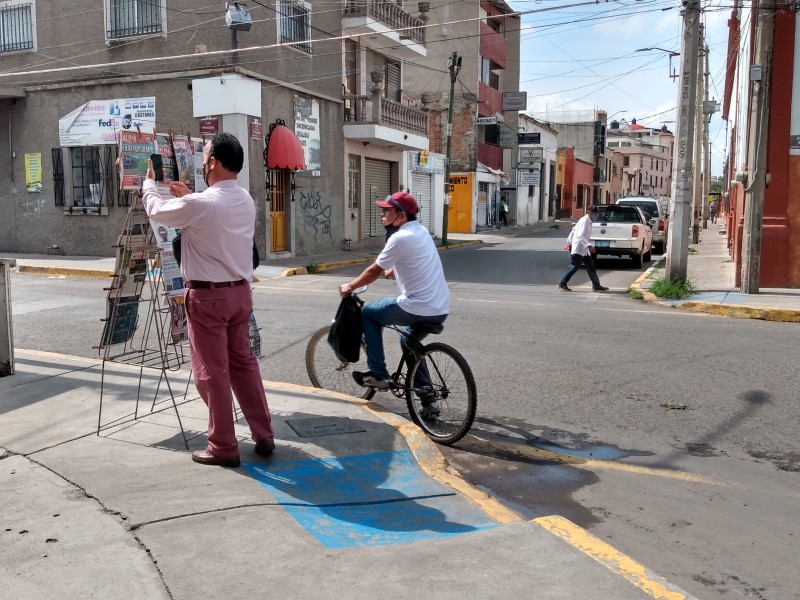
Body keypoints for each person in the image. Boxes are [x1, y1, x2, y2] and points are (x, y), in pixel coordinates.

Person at [141, 132, 275, 468]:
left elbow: (157, 210)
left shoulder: (201, 204)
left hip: (208, 297)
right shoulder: (244, 199)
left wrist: (148, 184)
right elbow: (209, 215)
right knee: (243, 364)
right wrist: (190, 196)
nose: (202, 160)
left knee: (212, 372)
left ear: (213, 161)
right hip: (240, 294)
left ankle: (223, 446)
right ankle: (263, 432)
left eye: (204, 155)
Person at [339, 191, 449, 390]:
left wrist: (351, 286)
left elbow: (373, 270)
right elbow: (415, 262)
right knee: (408, 341)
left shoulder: (400, 238)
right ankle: (427, 397)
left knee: (368, 315)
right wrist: (393, 271)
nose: (382, 214)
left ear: (401, 215)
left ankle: (378, 375)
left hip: (417, 307)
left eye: (387, 211)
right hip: (439, 308)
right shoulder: (422, 232)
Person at [558, 205, 609, 292]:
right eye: (595, 213)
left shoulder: (587, 221)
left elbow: (574, 230)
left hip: (583, 249)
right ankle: (562, 283)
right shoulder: (584, 221)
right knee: (574, 265)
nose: (596, 216)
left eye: (597, 214)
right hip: (579, 247)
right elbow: (580, 236)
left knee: (590, 265)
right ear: (590, 213)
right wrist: (588, 246)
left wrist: (569, 241)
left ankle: (596, 284)